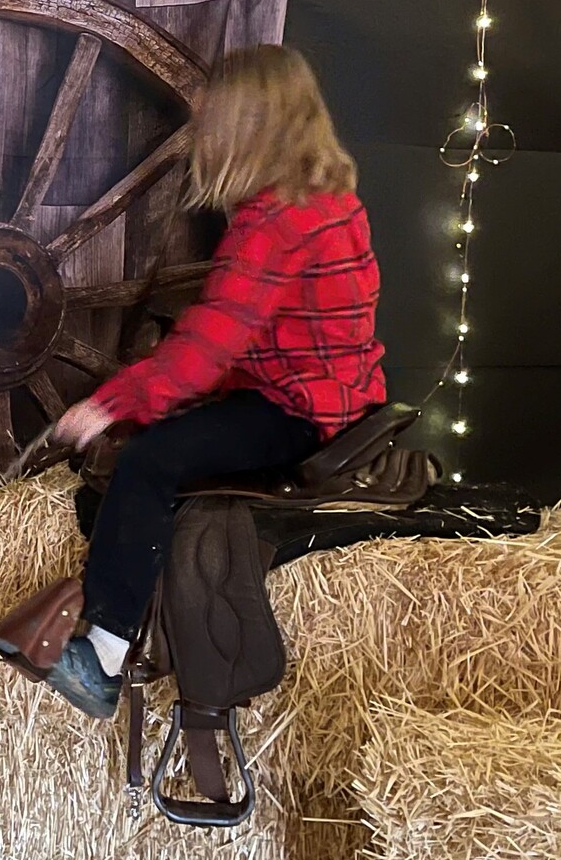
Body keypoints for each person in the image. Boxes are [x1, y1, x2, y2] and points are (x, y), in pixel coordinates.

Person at [42, 44, 384, 718]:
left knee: (148, 462)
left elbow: (207, 349)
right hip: (341, 394)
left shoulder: (273, 223)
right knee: (176, 433)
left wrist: (111, 404)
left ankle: (104, 653)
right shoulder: (333, 198)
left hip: (297, 410)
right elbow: (243, 338)